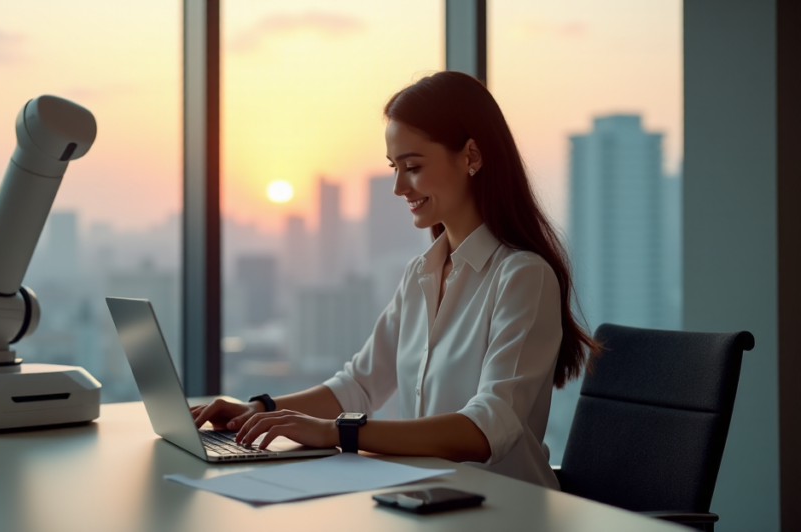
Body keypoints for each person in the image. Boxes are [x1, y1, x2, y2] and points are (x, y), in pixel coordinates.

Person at [191, 71, 599, 488]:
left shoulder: (523, 277)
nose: (399, 186)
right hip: (430, 501)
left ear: (472, 156)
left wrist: (338, 433)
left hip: (506, 511)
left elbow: (486, 428)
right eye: (394, 167)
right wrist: (258, 408)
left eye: (413, 167)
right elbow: (359, 384)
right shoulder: (420, 274)